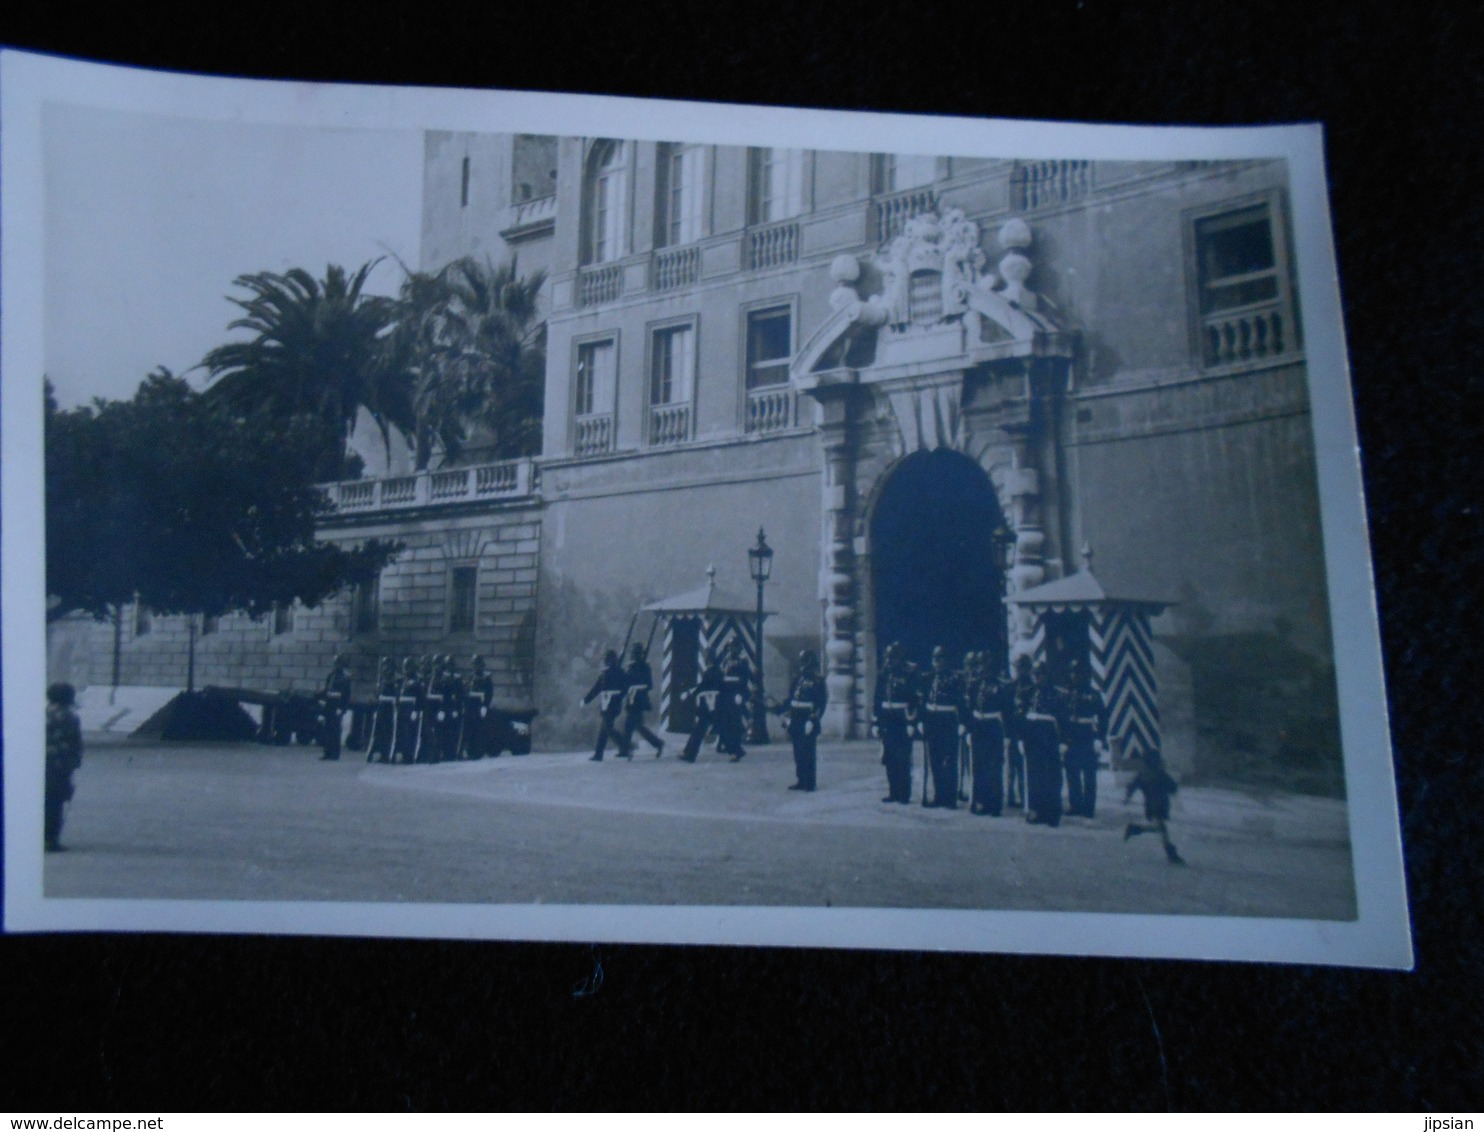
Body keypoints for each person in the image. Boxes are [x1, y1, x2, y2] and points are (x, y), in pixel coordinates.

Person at [873, 641, 918, 804]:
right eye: (888, 657)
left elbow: (914, 699)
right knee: (889, 757)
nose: (889, 660)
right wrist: (876, 721)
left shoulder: (910, 673)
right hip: (887, 718)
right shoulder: (884, 673)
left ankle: (904, 794)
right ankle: (893, 791)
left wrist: (911, 722)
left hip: (902, 718)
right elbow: (877, 698)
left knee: (903, 758)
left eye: (893, 657)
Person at [775, 650, 827, 791]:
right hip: (796, 718)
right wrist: (780, 709)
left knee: (808, 752)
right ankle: (801, 780)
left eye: (804, 662)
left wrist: (813, 719)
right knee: (798, 752)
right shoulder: (797, 680)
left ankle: (810, 783)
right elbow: (791, 699)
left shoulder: (818, 681)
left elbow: (821, 703)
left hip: (807, 719)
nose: (802, 665)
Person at [1063, 658, 1109, 818]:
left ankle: (1089, 808)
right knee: (1072, 772)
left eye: (1076, 673)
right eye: (1071, 673)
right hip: (1072, 736)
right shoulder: (1068, 693)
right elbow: (1064, 717)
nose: (1073, 676)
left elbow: (1103, 718)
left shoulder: (1094, 695)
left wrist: (1100, 738)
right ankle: (1075, 804)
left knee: (1089, 774)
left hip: (1087, 735)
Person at [968, 655, 1013, 816]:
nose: (982, 669)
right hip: (978, 726)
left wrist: (1008, 734)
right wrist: (969, 729)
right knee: (978, 765)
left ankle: (994, 804)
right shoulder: (974, 684)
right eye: (980, 665)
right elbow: (970, 708)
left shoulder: (1001, 686)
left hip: (993, 726)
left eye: (985, 665)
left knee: (994, 766)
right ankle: (979, 801)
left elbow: (1008, 711)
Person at [1123, 747, 1185, 864]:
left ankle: (1135, 829)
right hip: (1160, 805)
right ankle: (1171, 853)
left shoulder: (1144, 775)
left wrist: (1128, 797)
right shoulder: (1160, 774)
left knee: (1160, 828)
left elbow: (1132, 786)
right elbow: (1172, 786)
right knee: (1161, 828)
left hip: (1152, 805)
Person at [1022, 661, 1065, 826]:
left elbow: (1063, 719)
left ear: (1046, 676)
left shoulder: (1056, 694)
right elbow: (1022, 716)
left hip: (1049, 736)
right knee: (1034, 774)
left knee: (1051, 775)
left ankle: (1052, 812)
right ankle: (1035, 809)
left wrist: (1064, 741)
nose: (1036, 678)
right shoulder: (1028, 693)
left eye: (1039, 674)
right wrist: (1021, 738)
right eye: (1034, 674)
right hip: (1033, 736)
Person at [921, 645, 964, 809]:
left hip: (948, 721)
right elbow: (923, 702)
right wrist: (921, 721)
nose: (937, 662)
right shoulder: (928, 678)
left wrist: (962, 723)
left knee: (949, 760)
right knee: (935, 760)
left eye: (940, 658)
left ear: (946, 660)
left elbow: (961, 703)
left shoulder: (954, 679)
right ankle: (938, 796)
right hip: (933, 721)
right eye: (934, 658)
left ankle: (950, 798)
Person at [45, 682, 84, 853]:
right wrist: (75, 762)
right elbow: (75, 742)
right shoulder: (70, 717)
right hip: (60, 765)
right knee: (56, 803)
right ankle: (51, 839)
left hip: (42, 763)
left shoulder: (42, 714)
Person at [582, 649, 632, 762]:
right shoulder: (619, 673)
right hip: (611, 704)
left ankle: (626, 745)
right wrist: (586, 700)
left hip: (609, 704)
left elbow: (596, 689)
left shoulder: (608, 674)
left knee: (607, 728)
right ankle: (599, 754)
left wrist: (586, 700)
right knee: (604, 729)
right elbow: (598, 689)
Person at [621, 643, 665, 758]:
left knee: (630, 725)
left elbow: (649, 685)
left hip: (639, 700)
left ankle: (627, 749)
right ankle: (657, 744)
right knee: (637, 726)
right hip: (632, 700)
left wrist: (636, 685)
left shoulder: (644, 667)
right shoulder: (631, 667)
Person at [679, 649, 724, 762]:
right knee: (707, 728)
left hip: (710, 703)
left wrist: (690, 693)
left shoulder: (711, 671)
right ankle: (689, 753)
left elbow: (703, 686)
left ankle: (689, 753)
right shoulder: (716, 670)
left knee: (699, 730)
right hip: (713, 703)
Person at [717, 639, 752, 761]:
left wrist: (740, 694)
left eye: (734, 647)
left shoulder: (743, 661)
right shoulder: (725, 659)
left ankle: (736, 750)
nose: (732, 649)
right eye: (730, 646)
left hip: (735, 693)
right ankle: (731, 747)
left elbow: (745, 678)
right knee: (725, 722)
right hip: (725, 693)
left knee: (734, 723)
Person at [1007, 653, 1034, 809]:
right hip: (1013, 730)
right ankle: (1011, 797)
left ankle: (1026, 797)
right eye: (1017, 667)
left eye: (1022, 667)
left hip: (1028, 731)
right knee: (1012, 766)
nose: (1019, 671)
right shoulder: (1010, 687)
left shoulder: (1033, 688)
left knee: (1026, 766)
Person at [318, 654, 353, 761]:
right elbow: (327, 690)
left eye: (338, 663)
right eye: (335, 663)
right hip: (329, 704)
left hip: (337, 704)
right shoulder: (331, 675)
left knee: (335, 730)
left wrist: (342, 708)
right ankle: (327, 752)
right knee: (327, 729)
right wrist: (322, 702)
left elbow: (346, 694)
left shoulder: (346, 677)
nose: (337, 665)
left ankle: (335, 753)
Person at [463, 655, 495, 759]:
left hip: (480, 705)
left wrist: (485, 706)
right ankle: (470, 750)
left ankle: (478, 751)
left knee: (479, 729)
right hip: (470, 706)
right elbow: (466, 690)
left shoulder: (486, 678)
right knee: (469, 729)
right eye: (474, 665)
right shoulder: (470, 677)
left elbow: (489, 694)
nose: (475, 667)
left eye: (477, 665)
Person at [368, 657, 398, 763]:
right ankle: (379, 753)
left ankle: (386, 754)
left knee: (387, 732)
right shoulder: (382, 678)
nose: (385, 667)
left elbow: (396, 694)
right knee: (378, 732)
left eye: (386, 664)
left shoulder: (395, 678)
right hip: (381, 707)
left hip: (389, 707)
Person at [394, 657, 422, 765]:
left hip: (411, 709)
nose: (406, 669)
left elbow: (420, 698)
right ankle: (401, 753)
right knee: (401, 732)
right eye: (405, 667)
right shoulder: (402, 681)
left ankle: (409, 755)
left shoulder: (416, 682)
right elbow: (398, 695)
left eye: (408, 667)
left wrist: (416, 710)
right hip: (402, 709)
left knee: (410, 733)